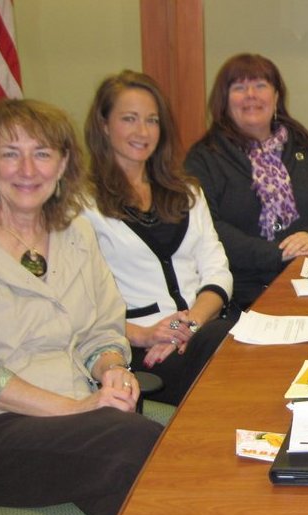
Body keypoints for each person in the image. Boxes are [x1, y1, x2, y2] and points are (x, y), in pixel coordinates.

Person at [0, 99, 161, 515]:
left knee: (146, 464)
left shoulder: (75, 233)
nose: (27, 169)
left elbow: (101, 328)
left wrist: (112, 371)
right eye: (11, 153)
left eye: (43, 153)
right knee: (133, 448)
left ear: (63, 163)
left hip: (79, 416)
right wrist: (77, 409)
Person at [83, 70, 234, 405]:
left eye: (152, 120)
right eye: (129, 119)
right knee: (231, 356)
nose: (142, 131)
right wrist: (146, 336)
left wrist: (190, 325)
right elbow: (79, 308)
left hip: (200, 332)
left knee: (238, 344)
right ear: (104, 125)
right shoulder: (81, 207)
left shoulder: (188, 192)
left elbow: (217, 271)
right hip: (139, 352)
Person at [185, 53, 308, 314]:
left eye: (260, 86)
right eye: (239, 88)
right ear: (224, 101)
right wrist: (278, 254)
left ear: (276, 97)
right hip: (246, 293)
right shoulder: (205, 158)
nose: (251, 95)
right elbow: (209, 230)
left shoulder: (300, 145)